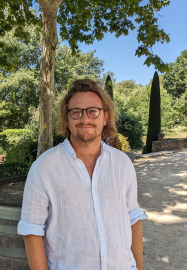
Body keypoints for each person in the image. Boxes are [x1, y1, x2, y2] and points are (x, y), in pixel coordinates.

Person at [17, 79, 147, 270]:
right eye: (76, 112)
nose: (85, 119)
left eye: (93, 111)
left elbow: (133, 219)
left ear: (105, 118)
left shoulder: (123, 164)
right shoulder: (43, 168)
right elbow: (31, 230)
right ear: (67, 119)